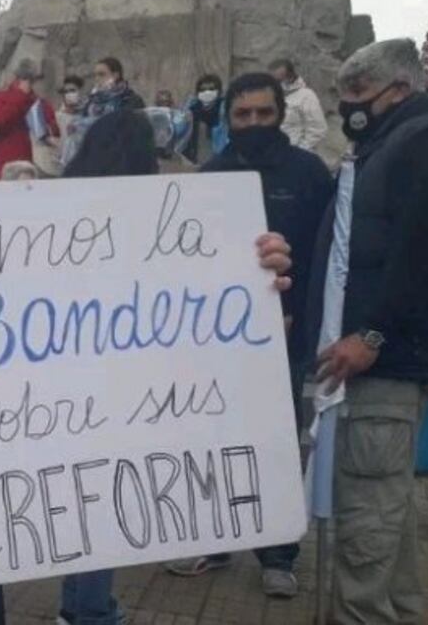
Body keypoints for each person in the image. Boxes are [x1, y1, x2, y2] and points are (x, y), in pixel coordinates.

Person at [59, 109, 294, 624]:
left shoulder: (55, 214)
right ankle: (89, 610)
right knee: (100, 500)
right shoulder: (163, 219)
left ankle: (82, 607)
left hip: (65, 392)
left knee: (80, 498)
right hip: (131, 389)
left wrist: (259, 277)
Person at [309, 39, 428, 624]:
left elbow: (419, 253)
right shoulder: (388, 147)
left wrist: (372, 336)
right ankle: (397, 610)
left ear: (400, 90)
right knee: (384, 508)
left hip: (387, 361)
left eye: (359, 93)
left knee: (367, 520)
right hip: (386, 358)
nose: (349, 107)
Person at [164, 73, 334, 598]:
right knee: (213, 438)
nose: (254, 122)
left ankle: (278, 553)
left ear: (281, 114)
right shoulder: (209, 176)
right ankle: (216, 540)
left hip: (286, 335)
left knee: (276, 442)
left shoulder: (309, 174)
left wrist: (296, 315)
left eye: (264, 113)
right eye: (243, 115)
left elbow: (325, 257)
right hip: (219, 340)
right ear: (229, 118)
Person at [0, 58, 42, 180]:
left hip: (29, 168)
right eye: (29, 80)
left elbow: (41, 133)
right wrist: (20, 95)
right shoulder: (1, 97)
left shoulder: (35, 101)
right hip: (6, 165)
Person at [269, 59, 328, 152]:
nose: (274, 84)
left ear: (290, 77)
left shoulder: (306, 96)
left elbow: (318, 129)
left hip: (293, 152)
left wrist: (299, 151)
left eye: (278, 80)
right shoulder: (271, 96)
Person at [183, 74, 225, 165]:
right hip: (195, 162)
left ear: (219, 92)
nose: (207, 92)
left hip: (221, 163)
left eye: (211, 89)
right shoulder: (192, 110)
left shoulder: (225, 112)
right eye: (202, 90)